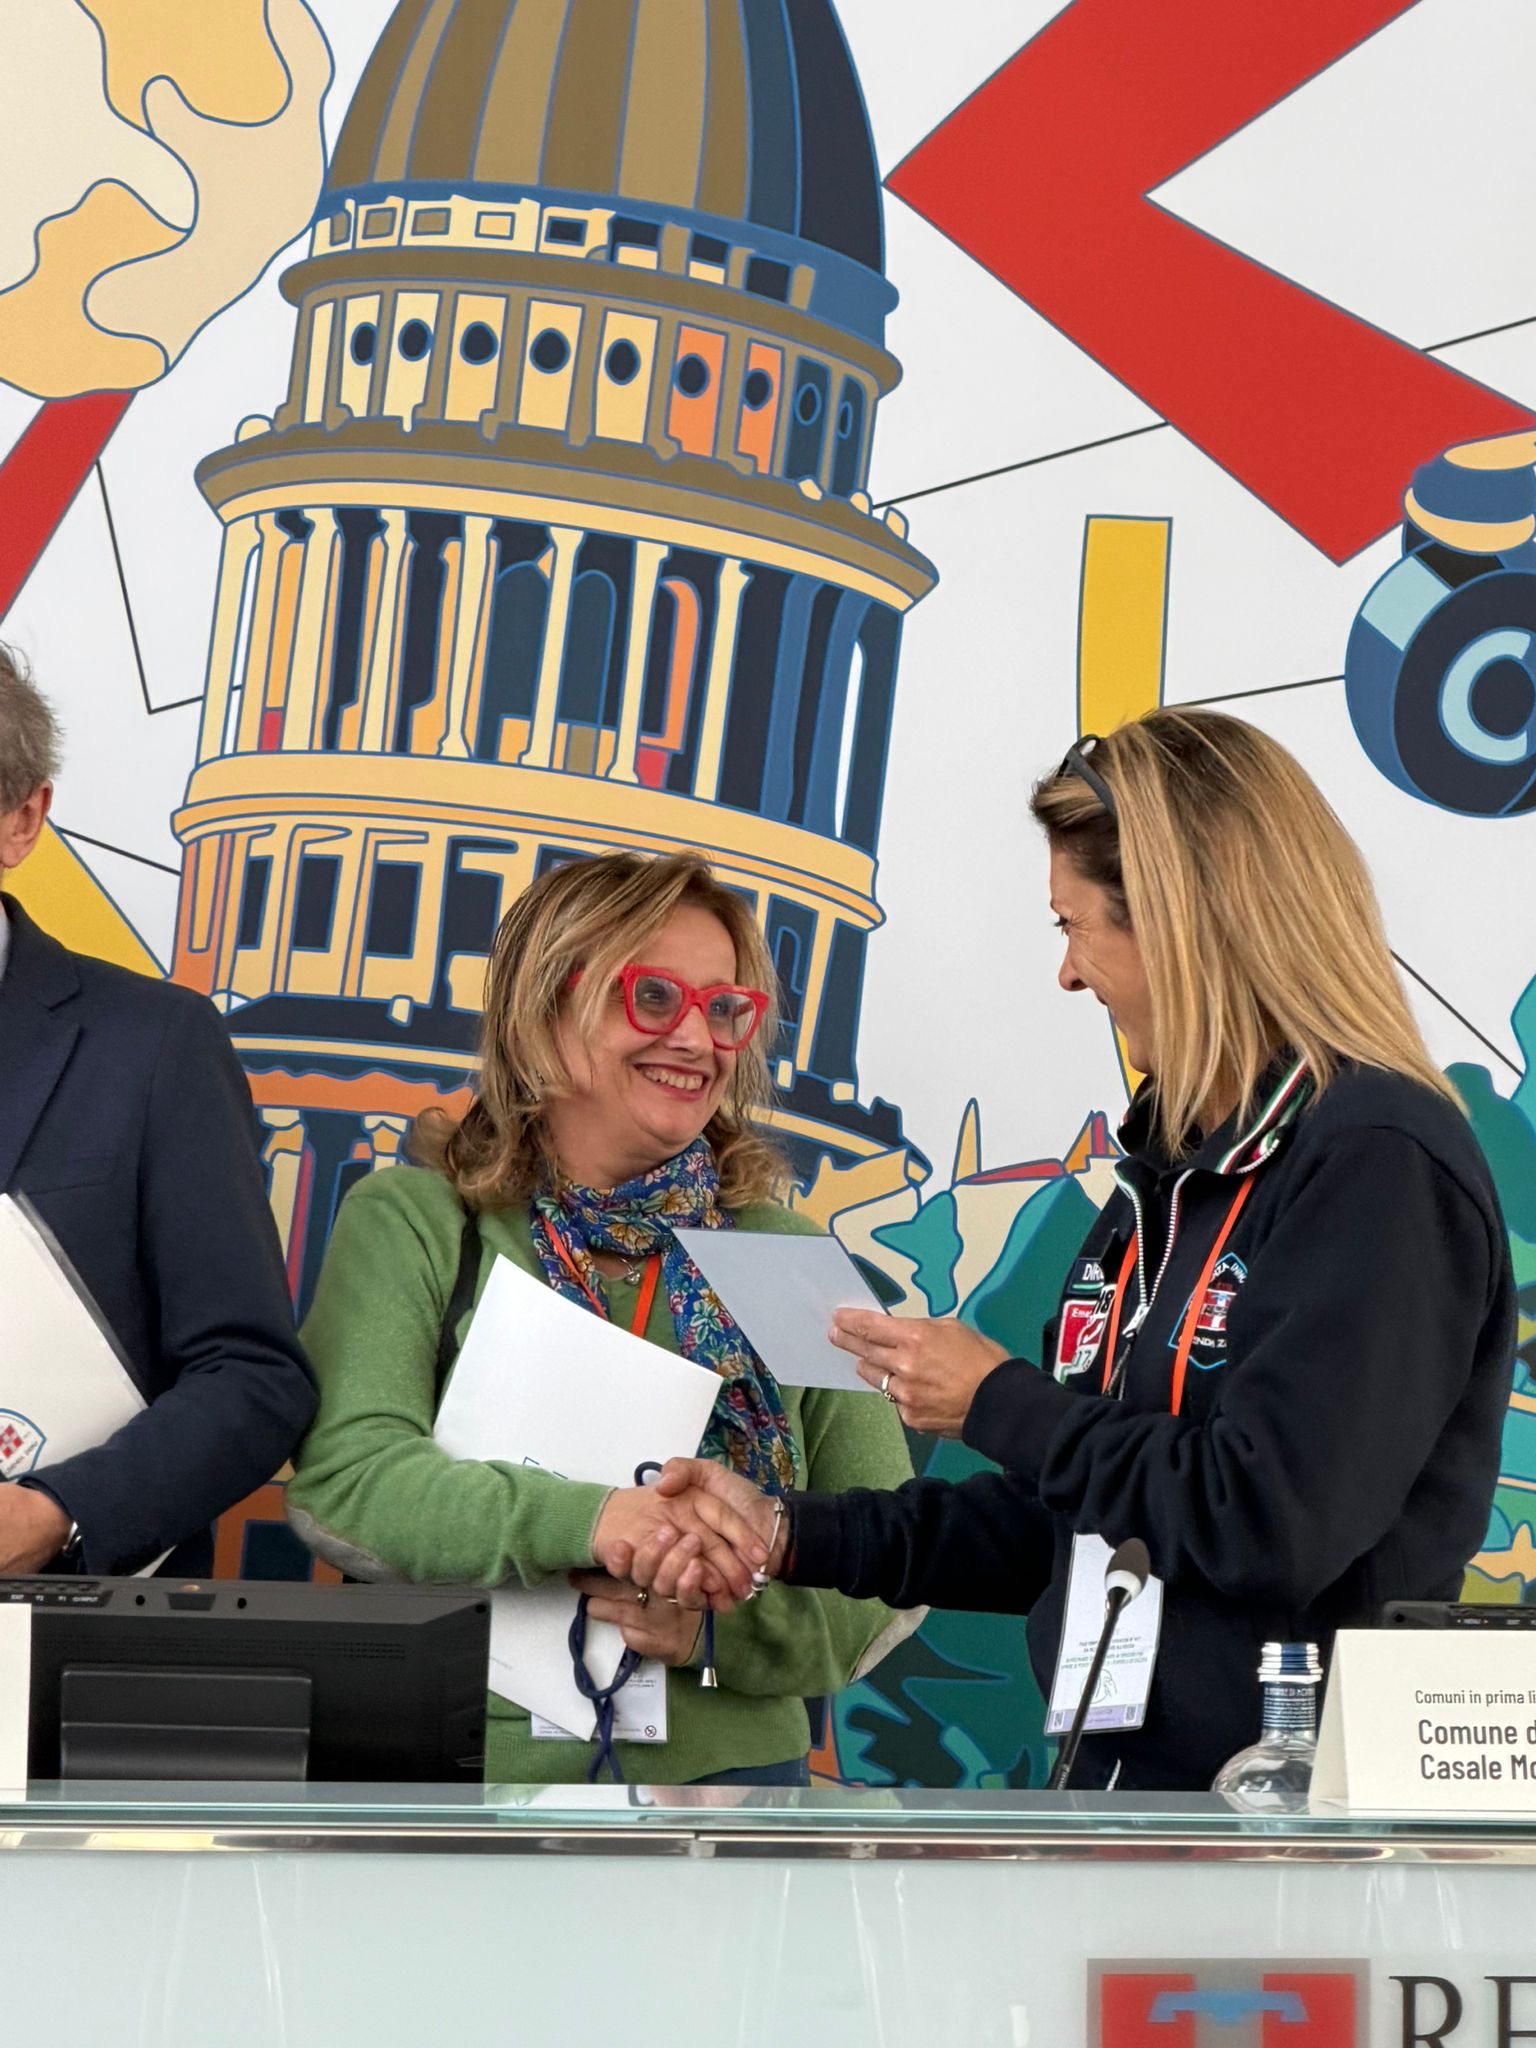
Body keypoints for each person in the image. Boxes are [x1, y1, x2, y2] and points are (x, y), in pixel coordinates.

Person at [626, 710, 1518, 1792]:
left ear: (1184, 925)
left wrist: (999, 1402)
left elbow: (1269, 1520)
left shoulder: (1377, 1160)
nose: (1067, 974)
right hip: (1125, 1805)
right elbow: (1065, 1517)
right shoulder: (1170, 1173)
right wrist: (780, 1531)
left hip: (1292, 1825)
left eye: (1075, 925)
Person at [287, 849, 914, 1786]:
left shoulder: (788, 1256)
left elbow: (892, 1562)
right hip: (456, 1782)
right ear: (544, 1011)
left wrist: (715, 1632)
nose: (696, 1039)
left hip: (729, 1796)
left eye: (724, 1009)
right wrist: (600, 1522)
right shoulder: (419, 1222)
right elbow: (349, 1486)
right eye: (653, 998)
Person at [0, 643, 317, 1575]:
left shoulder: (154, 1045)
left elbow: (253, 1377)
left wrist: (56, 1514)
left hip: (51, 1627)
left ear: (23, 818)